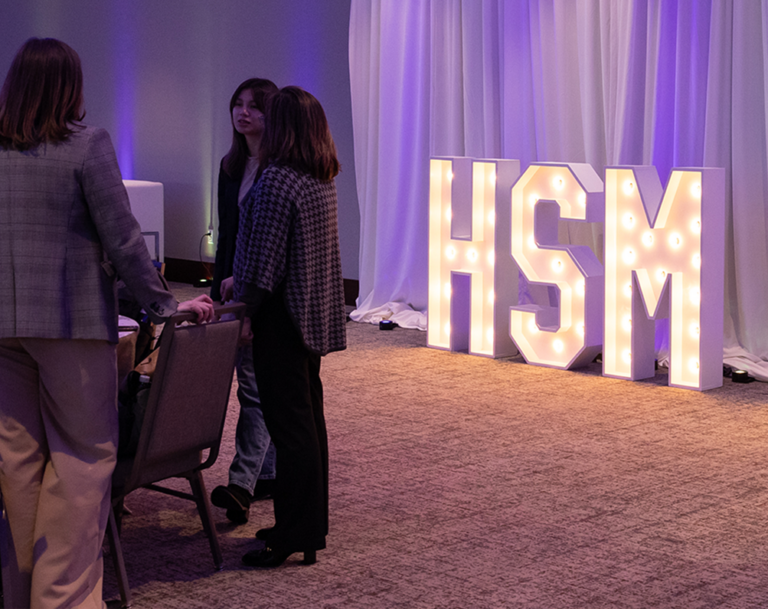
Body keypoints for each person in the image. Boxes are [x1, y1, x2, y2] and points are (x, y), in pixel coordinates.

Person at [0, 38, 214, 609]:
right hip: (71, 325)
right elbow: (124, 241)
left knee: (18, 463)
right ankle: (63, 598)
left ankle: (21, 594)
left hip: (4, 329)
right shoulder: (87, 145)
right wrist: (168, 306)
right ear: (71, 86)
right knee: (84, 455)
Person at [226, 86, 346, 568]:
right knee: (307, 425)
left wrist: (243, 309)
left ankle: (294, 533)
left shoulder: (277, 180)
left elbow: (265, 264)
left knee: (291, 429)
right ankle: (308, 527)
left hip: (281, 318)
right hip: (309, 315)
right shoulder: (320, 177)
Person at [209, 78, 279, 525]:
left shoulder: (279, 170)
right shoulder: (231, 166)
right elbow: (226, 236)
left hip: (262, 291)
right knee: (256, 386)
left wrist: (248, 305)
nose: (244, 113)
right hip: (233, 288)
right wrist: (220, 295)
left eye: (254, 106)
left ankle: (242, 483)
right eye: (237, 104)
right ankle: (267, 473)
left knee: (254, 389)